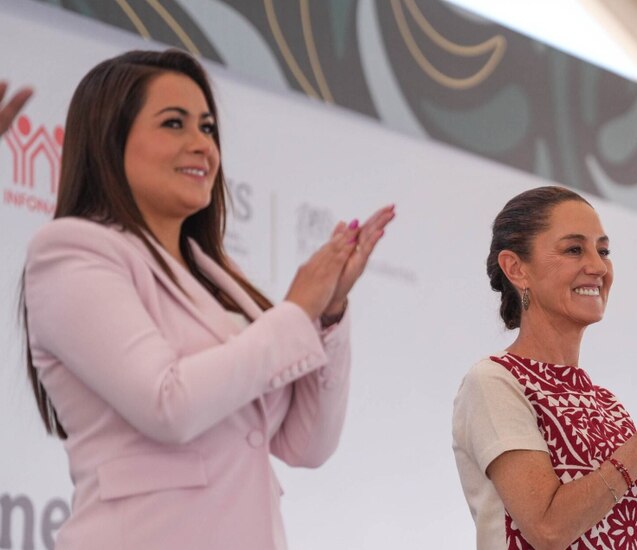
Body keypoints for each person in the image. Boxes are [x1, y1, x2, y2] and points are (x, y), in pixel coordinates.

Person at [20, 50, 394, 549]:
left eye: (208, 128)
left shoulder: (219, 276)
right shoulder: (71, 251)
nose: (202, 145)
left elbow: (307, 445)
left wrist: (327, 314)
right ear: (111, 139)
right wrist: (295, 312)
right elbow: (167, 405)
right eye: (174, 123)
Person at [452, 186, 637, 549]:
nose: (598, 267)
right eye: (574, 249)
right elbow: (548, 529)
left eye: (603, 251)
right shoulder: (495, 382)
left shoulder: (606, 404)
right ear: (516, 268)